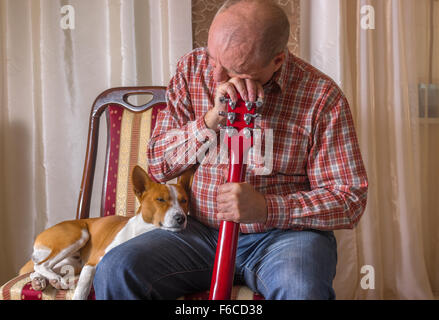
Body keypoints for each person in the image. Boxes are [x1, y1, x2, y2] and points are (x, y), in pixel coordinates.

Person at [94, 0, 368, 300]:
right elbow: (158, 163)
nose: (215, 76)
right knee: (117, 268)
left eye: (234, 70)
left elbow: (349, 198)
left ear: (277, 60)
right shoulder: (191, 70)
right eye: (213, 59)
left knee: (303, 290)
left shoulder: (321, 97)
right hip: (197, 232)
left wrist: (267, 208)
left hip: (285, 238)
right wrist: (210, 120)